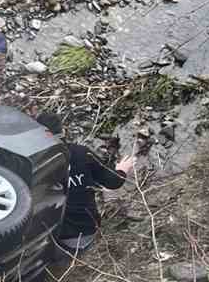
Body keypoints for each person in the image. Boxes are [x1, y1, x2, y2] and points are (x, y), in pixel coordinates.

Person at [38, 110, 136, 256]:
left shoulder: (38, 163)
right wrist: (122, 170)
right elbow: (113, 182)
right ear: (63, 130)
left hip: (53, 237)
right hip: (87, 231)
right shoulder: (81, 153)